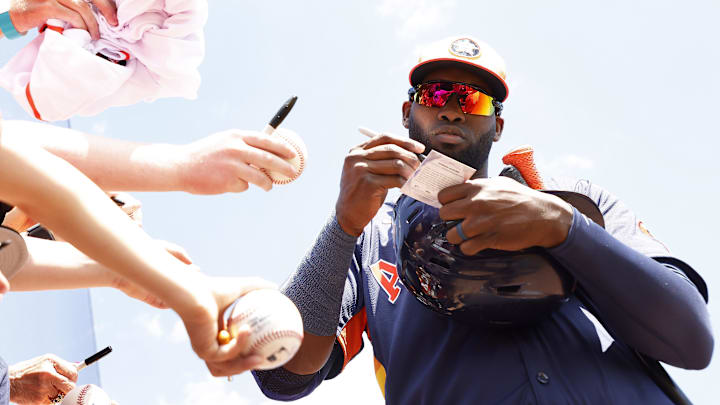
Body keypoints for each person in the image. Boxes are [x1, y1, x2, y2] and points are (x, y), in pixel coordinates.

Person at [250, 35, 713, 404]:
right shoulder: (371, 234)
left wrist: (564, 228)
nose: (451, 108)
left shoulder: (576, 200)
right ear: (408, 111)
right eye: (436, 94)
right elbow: (283, 375)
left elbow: (691, 341)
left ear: (497, 125)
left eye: (471, 100)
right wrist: (343, 225)